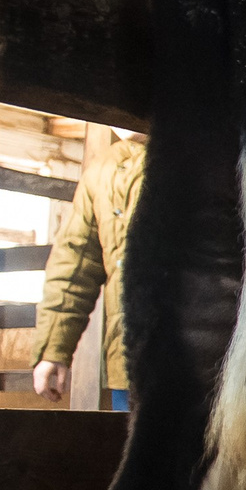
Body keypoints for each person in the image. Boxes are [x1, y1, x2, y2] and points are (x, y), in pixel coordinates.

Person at [32, 128, 145, 410]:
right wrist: (54, 349)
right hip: (128, 356)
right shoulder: (102, 171)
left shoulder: (205, 151)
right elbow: (75, 261)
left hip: (206, 363)